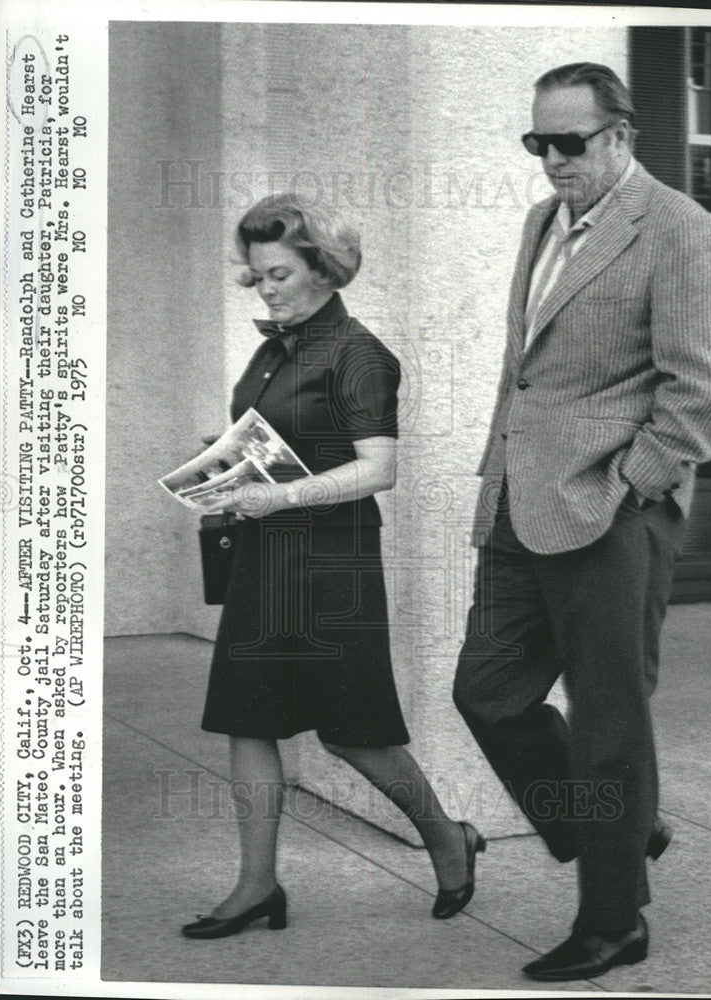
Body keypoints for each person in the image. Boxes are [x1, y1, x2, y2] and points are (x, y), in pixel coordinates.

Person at [452, 63, 711, 981]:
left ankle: (615, 921)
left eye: (569, 143)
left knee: (610, 724)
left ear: (621, 136)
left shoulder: (682, 230)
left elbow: (704, 393)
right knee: (487, 693)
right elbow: (523, 374)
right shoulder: (545, 222)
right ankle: (624, 823)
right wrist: (494, 484)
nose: (551, 161)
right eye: (538, 143)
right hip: (518, 505)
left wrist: (630, 484)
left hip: (612, 514)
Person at [182, 193, 485, 939]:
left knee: (353, 731)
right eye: (255, 276)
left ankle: (446, 835)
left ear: (324, 268)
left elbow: (378, 469)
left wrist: (278, 498)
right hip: (264, 557)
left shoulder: (359, 354)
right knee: (247, 722)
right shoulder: (271, 348)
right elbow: (275, 438)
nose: (265, 288)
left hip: (331, 565)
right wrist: (223, 465)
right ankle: (257, 888)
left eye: (279, 273)